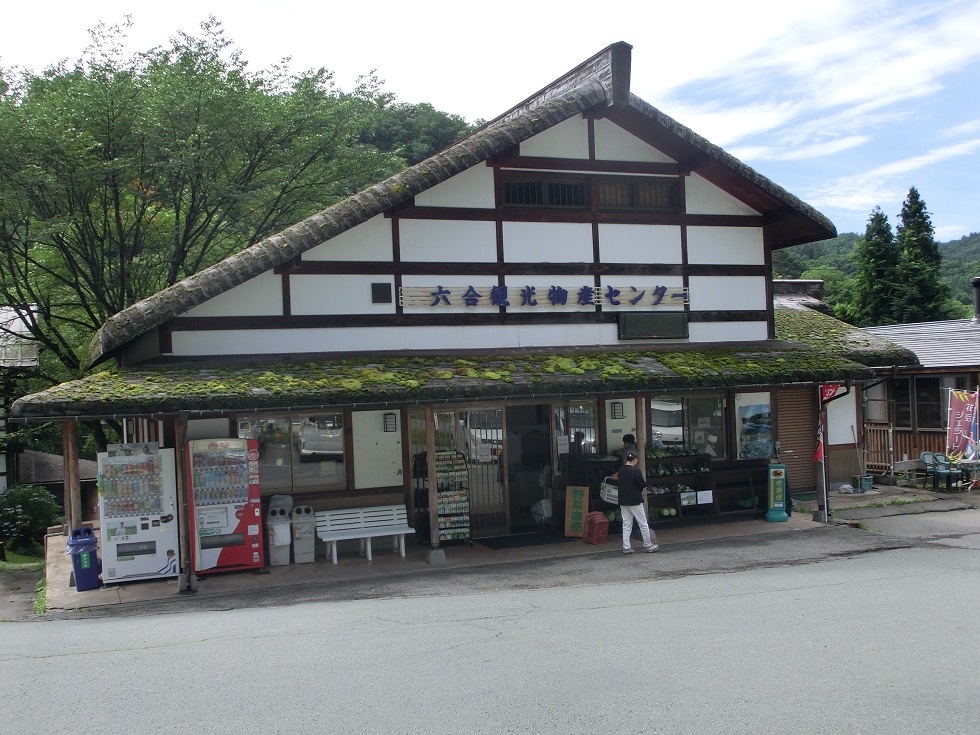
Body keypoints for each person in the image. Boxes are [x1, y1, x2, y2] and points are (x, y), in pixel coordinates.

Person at [616, 449, 658, 554]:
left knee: (626, 524)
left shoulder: (621, 470)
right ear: (635, 459)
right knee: (643, 524)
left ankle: (626, 547)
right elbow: (641, 484)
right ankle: (648, 545)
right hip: (635, 500)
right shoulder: (636, 471)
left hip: (623, 501)